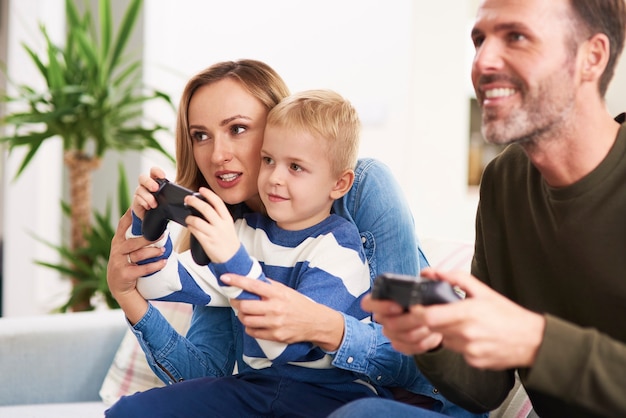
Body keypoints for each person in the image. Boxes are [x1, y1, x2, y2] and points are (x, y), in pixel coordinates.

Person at [106, 60, 482, 417]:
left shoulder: (356, 201)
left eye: (237, 129)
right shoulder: (233, 230)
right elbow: (206, 381)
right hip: (275, 396)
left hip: (411, 401)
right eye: (200, 136)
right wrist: (130, 286)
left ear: (276, 125)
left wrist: (236, 263)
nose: (217, 154)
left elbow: (401, 355)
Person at [329, 0, 626, 417]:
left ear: (591, 57)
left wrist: (537, 342)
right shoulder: (505, 180)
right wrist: (433, 338)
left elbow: (529, 343)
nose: (483, 61)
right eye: (479, 39)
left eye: (516, 37)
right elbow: (487, 387)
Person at [125, 89, 373, 377]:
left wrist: (232, 257)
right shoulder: (243, 232)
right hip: (257, 390)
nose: (275, 178)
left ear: (340, 184)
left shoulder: (339, 248)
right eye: (268, 160)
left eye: (295, 166)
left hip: (319, 393)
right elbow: (157, 284)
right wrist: (148, 226)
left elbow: (281, 348)